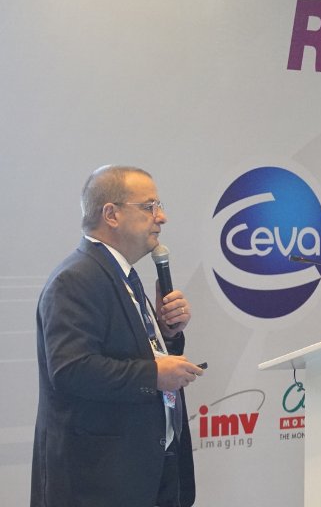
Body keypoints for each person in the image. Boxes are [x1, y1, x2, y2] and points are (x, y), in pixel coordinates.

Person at [31, 165, 204, 507]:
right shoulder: (76, 279)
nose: (162, 217)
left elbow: (128, 351)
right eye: (149, 206)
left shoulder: (121, 274)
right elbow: (70, 369)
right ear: (111, 214)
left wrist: (166, 334)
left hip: (144, 474)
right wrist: (154, 375)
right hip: (98, 484)